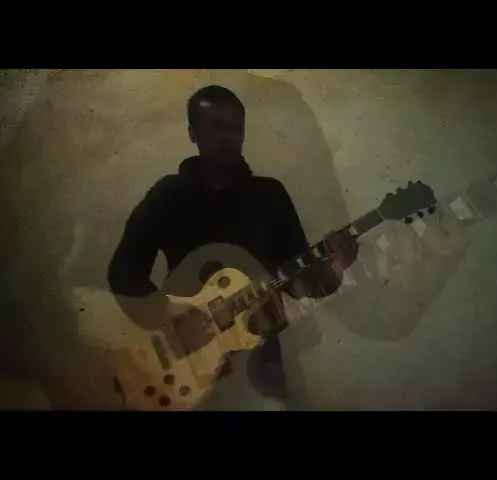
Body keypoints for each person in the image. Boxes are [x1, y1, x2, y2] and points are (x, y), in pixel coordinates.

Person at [108, 85, 358, 408]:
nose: (227, 136)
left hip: (263, 364)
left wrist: (336, 266)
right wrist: (172, 313)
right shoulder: (169, 195)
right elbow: (124, 270)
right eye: (216, 126)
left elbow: (299, 283)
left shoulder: (270, 196)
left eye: (235, 127)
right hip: (190, 366)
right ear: (193, 133)